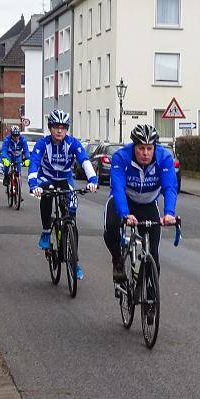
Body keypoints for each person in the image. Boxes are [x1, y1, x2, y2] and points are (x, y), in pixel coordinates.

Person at [103, 124, 178, 282]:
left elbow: (170, 187)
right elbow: (118, 187)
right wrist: (125, 214)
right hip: (124, 200)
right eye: (141, 148)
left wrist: (169, 213)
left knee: (153, 256)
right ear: (134, 146)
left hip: (148, 203)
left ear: (154, 147)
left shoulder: (164, 158)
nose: (145, 153)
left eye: (149, 148)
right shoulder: (121, 157)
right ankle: (117, 260)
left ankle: (151, 302)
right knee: (111, 228)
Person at [28, 110, 98, 279]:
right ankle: (46, 231)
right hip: (47, 177)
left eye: (63, 127)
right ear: (50, 128)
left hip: (66, 179)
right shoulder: (42, 144)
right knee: (46, 195)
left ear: (67, 129)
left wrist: (93, 179)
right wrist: (33, 184)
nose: (59, 131)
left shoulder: (73, 143)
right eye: (55, 127)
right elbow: (34, 164)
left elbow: (85, 160)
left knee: (71, 218)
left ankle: (75, 261)